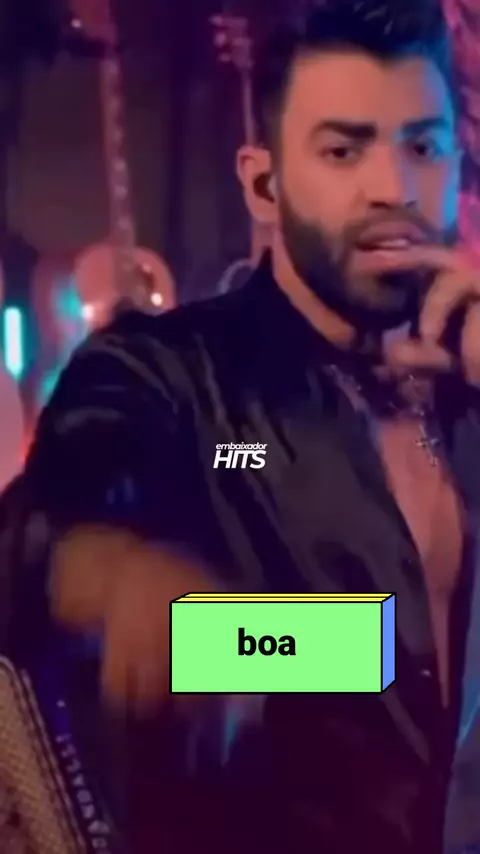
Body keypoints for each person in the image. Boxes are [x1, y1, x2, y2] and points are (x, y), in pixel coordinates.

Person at [15, 0, 480, 851]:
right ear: (264, 184)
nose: (393, 187)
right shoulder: (176, 375)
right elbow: (45, 528)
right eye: (343, 151)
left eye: (423, 146)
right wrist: (129, 586)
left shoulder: (469, 385)